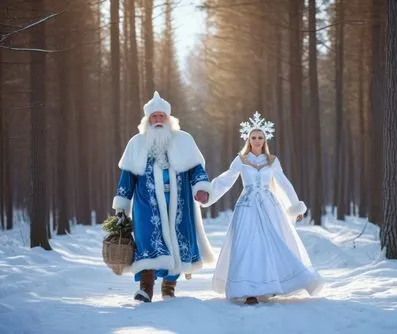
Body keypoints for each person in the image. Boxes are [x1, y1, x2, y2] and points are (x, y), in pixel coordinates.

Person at [202, 112, 323, 305]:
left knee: (272, 244)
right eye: (253, 137)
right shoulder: (240, 160)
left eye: (260, 137)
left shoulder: (272, 160)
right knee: (247, 246)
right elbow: (225, 180)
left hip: (269, 207)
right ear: (248, 139)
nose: (257, 140)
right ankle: (248, 291)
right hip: (247, 207)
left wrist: (295, 205)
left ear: (264, 140)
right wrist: (207, 194)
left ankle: (270, 285)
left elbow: (284, 182)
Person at [112, 91, 214, 303]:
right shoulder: (136, 143)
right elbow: (127, 176)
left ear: (168, 119)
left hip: (180, 204)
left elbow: (196, 169)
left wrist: (201, 187)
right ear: (147, 120)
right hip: (146, 205)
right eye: (154, 117)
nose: (158, 120)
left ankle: (169, 285)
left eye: (161, 116)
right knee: (148, 242)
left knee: (177, 242)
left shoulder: (184, 140)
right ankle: (146, 288)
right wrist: (121, 204)